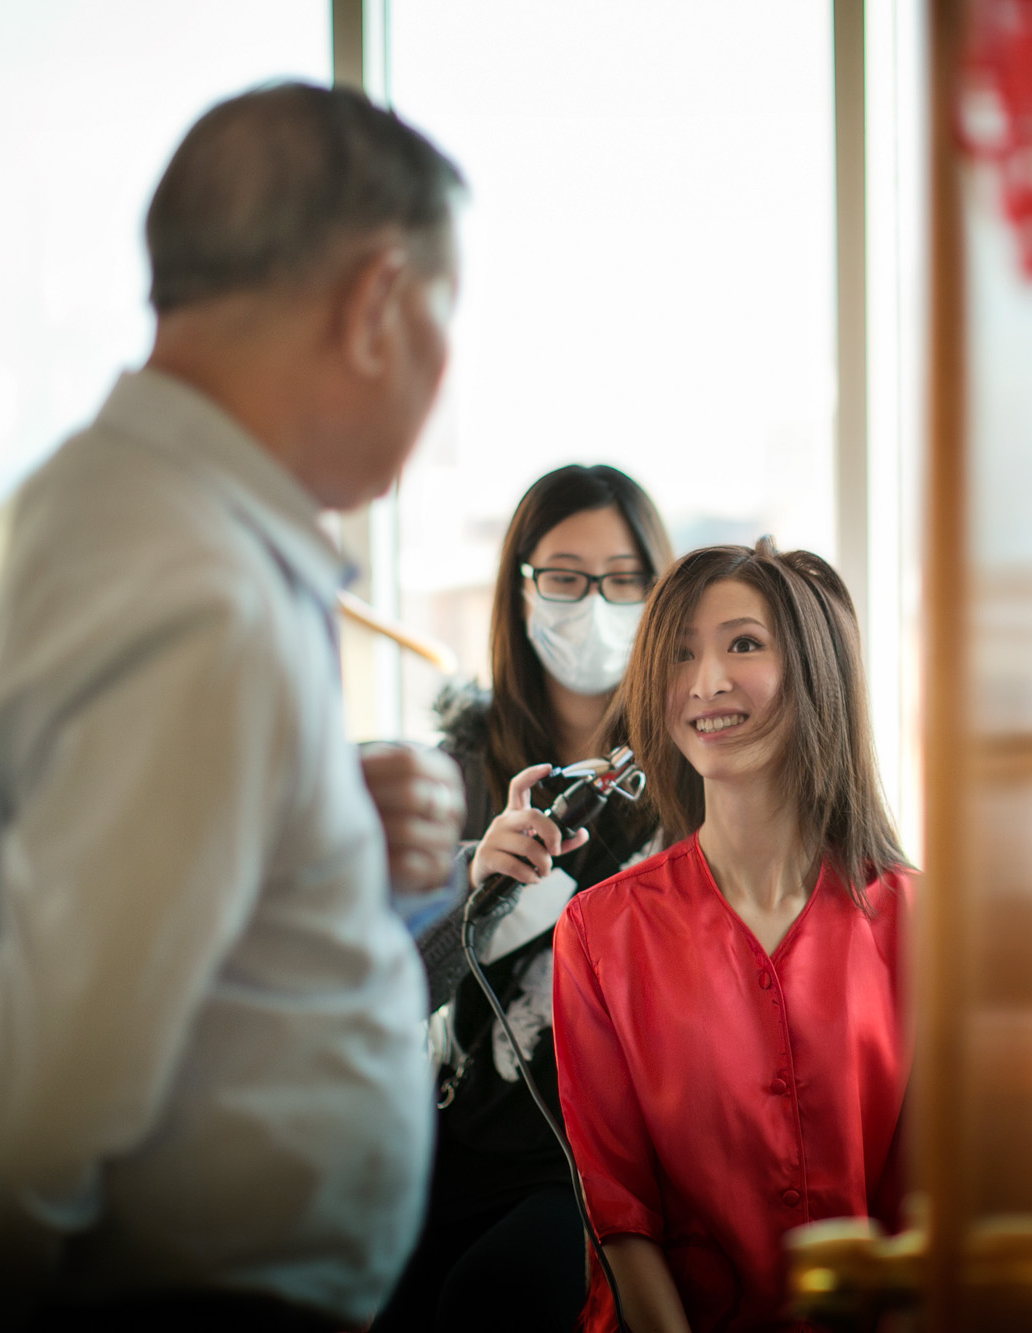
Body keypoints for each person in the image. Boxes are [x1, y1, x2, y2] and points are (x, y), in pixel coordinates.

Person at [0, 84, 468, 1333]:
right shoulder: (199, 594)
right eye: (447, 316)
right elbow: (37, 1102)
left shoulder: (85, 517)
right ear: (376, 303)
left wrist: (311, 821)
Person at [552, 539, 911, 1333]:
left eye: (744, 644)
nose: (707, 682)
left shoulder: (923, 924)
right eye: (681, 654)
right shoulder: (598, 932)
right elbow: (619, 1210)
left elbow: (933, 1197)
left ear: (815, 668)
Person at [376, 464, 674, 1332]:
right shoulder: (454, 776)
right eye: (565, 578)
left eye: (624, 579)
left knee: (496, 1295)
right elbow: (388, 994)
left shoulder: (687, 776)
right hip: (455, 1132)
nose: (595, 605)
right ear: (521, 591)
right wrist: (472, 884)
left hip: (594, 1160)